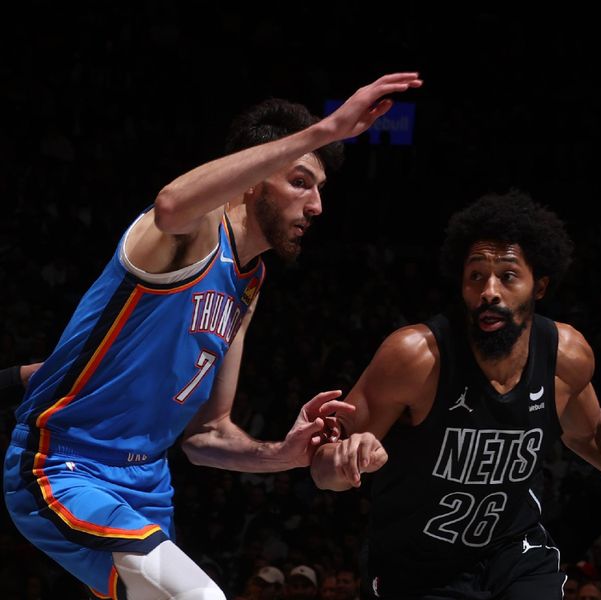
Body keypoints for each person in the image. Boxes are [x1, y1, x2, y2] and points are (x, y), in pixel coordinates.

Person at [3, 72, 423, 600]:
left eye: (318, 189)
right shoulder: (191, 238)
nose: (316, 206)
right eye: (300, 182)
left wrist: (283, 455)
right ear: (253, 178)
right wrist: (325, 130)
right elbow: (173, 204)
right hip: (64, 466)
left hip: (147, 484)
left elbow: (206, 438)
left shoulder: (250, 281)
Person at [311, 191, 601, 599]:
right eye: (476, 276)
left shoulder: (564, 355)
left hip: (514, 552)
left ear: (540, 287)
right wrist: (346, 459)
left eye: (508, 276)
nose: (489, 290)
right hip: (417, 566)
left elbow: (593, 437)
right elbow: (323, 472)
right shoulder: (415, 357)